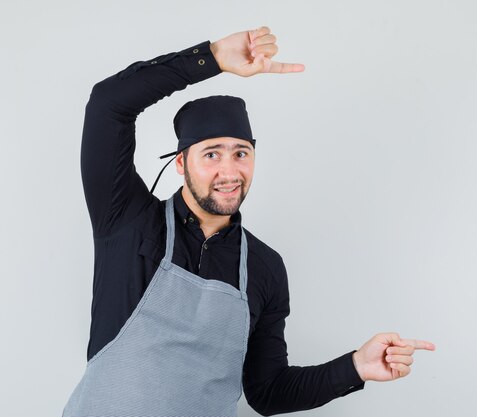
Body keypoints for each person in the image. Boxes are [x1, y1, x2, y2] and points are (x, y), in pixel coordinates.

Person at [62, 26, 435, 417]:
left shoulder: (264, 267)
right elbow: (108, 103)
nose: (229, 171)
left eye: (241, 153)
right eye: (211, 154)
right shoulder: (126, 219)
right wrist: (212, 58)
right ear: (179, 163)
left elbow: (267, 392)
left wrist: (355, 367)